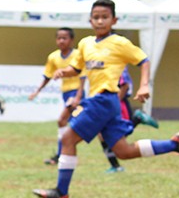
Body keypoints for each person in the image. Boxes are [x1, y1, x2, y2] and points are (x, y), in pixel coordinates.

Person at [33, 0, 179, 198]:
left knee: (68, 139)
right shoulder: (85, 44)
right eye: (96, 17)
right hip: (106, 103)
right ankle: (174, 145)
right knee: (123, 152)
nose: (100, 21)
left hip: (103, 100)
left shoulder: (119, 43)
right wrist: (64, 71)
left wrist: (144, 85)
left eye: (105, 17)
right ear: (90, 20)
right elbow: (77, 69)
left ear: (114, 20)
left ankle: (61, 192)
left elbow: (143, 60)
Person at [29, 28, 123, 173]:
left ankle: (60, 155)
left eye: (65, 38)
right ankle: (114, 163)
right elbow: (48, 76)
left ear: (71, 40)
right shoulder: (53, 57)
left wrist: (78, 96)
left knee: (62, 121)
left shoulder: (78, 54)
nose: (61, 41)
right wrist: (37, 91)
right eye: (59, 38)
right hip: (66, 95)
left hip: (76, 96)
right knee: (98, 130)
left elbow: (82, 77)